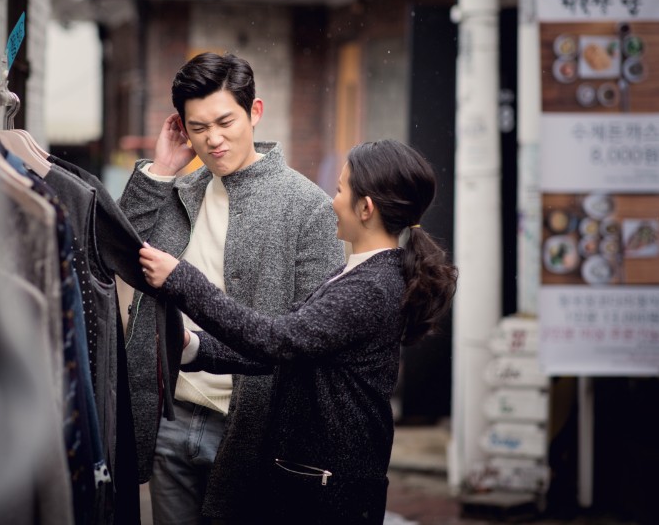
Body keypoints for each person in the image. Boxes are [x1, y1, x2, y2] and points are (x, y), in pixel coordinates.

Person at [138, 139, 459, 524]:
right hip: (318, 481)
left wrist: (181, 279)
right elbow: (292, 347)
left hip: (329, 491)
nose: (331, 201)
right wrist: (193, 347)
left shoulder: (370, 287)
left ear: (366, 207)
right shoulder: (362, 273)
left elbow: (277, 340)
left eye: (340, 190)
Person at [118, 52, 344, 524]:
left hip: (253, 430)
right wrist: (161, 169)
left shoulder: (308, 207)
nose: (214, 139)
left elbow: (310, 338)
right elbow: (117, 253)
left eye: (226, 121)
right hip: (171, 419)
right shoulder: (180, 190)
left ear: (254, 112)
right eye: (198, 127)